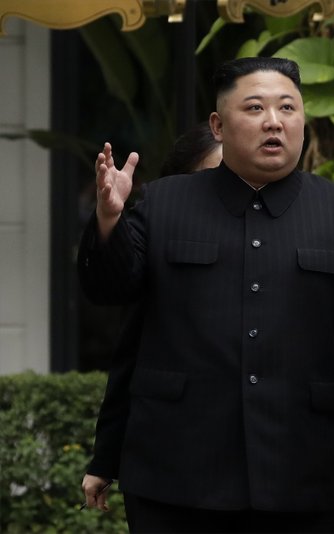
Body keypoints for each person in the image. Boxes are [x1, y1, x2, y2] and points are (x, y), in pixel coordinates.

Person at [78, 56, 334, 533]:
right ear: (218, 124)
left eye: (288, 108)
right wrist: (108, 219)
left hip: (299, 462)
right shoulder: (164, 202)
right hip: (177, 465)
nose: (274, 122)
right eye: (254, 108)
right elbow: (108, 290)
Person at [81, 121, 223, 513]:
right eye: (214, 177)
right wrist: (104, 461)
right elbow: (129, 359)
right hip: (174, 462)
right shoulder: (158, 245)